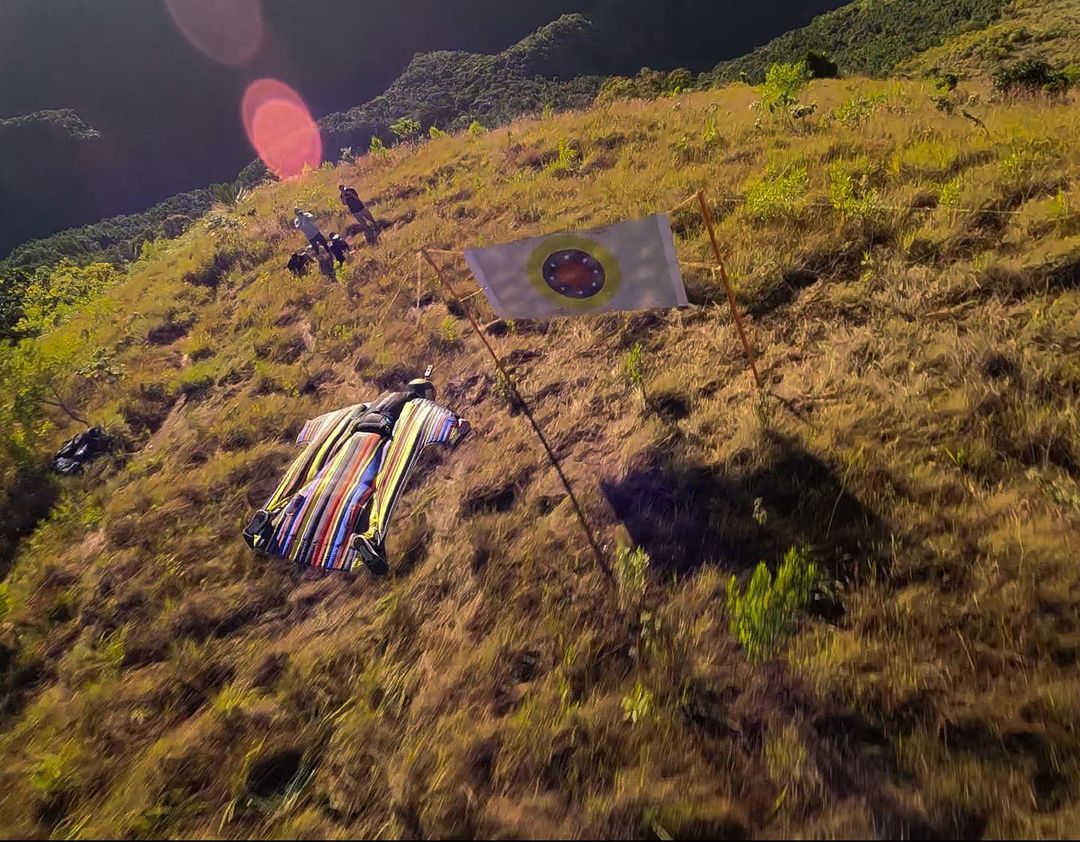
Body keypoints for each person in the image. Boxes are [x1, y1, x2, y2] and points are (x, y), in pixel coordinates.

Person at [243, 374, 470, 574]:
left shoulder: (373, 402)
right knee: (377, 491)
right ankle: (371, 538)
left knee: (312, 482)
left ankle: (268, 516)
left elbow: (335, 417)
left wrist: (313, 430)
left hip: (349, 443)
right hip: (378, 446)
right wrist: (458, 427)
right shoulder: (419, 406)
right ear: (425, 393)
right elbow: (438, 419)